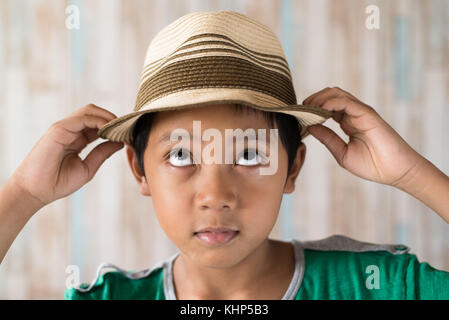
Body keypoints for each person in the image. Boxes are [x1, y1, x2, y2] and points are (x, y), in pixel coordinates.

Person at [1, 11, 448, 300]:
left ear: (291, 167)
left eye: (251, 155)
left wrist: (411, 173)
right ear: (139, 170)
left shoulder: (377, 285)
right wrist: (22, 193)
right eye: (180, 155)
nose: (216, 196)